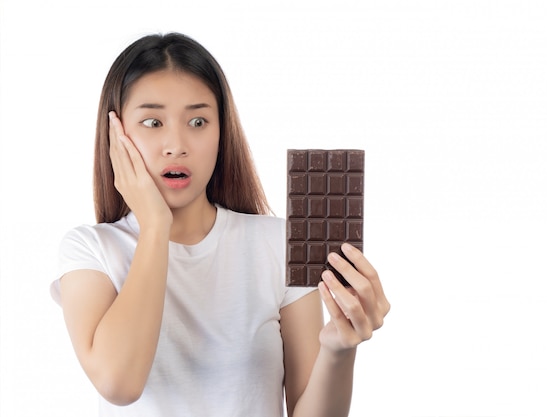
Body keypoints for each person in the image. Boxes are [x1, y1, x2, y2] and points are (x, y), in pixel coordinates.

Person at [50, 32, 390, 417]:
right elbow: (120, 383)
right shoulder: (90, 250)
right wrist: (155, 226)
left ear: (220, 132)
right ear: (116, 135)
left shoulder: (278, 243)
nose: (176, 144)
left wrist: (338, 348)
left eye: (198, 121)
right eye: (152, 121)